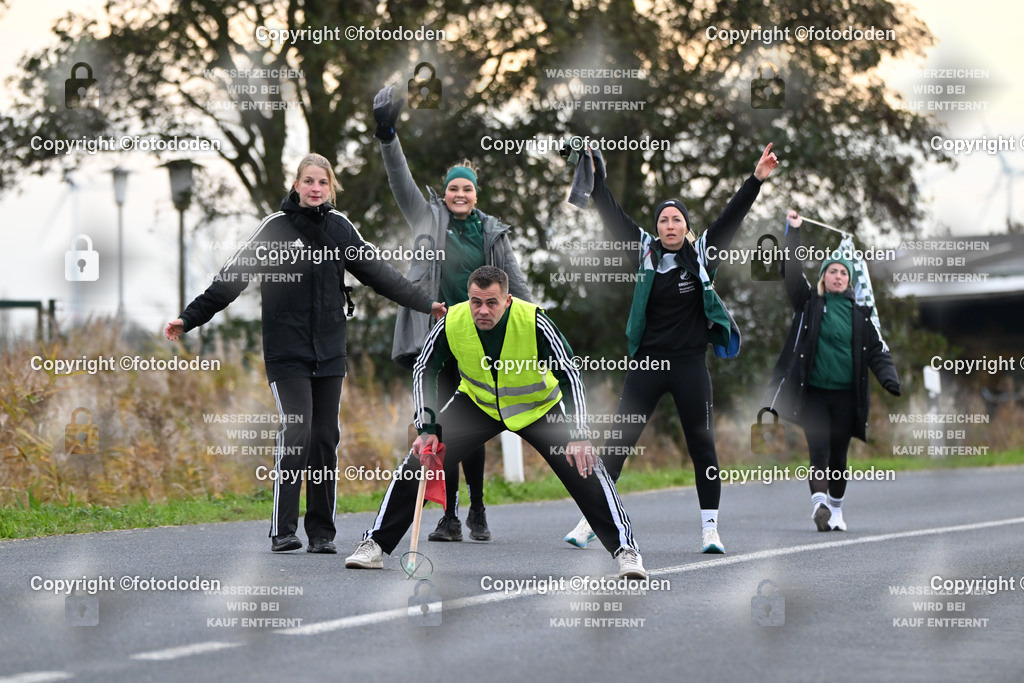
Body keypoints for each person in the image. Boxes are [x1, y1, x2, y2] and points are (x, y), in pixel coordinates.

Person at [164, 153, 445, 553]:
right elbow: (231, 280)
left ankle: (321, 533)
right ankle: (283, 529)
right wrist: (188, 319)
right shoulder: (274, 229)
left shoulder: (340, 228)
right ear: (295, 185)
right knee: (297, 429)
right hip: (287, 351)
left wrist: (424, 303)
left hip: (329, 349)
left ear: (331, 188)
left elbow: (379, 272)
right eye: (309, 181)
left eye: (323, 183)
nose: (315, 189)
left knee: (325, 436)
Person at [345, 266, 646, 578]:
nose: (482, 310)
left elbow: (569, 373)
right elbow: (424, 367)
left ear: (508, 300)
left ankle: (627, 550)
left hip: (538, 408)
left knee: (585, 465)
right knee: (420, 458)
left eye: (491, 302)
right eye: (476, 302)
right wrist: (428, 426)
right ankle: (374, 545)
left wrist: (579, 433)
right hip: (479, 404)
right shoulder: (453, 320)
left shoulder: (535, 321)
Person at [563, 143, 779, 554]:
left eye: (676, 219)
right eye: (663, 220)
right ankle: (591, 521)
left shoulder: (702, 255)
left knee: (702, 445)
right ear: (658, 227)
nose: (669, 225)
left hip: (689, 365)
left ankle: (710, 529)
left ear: (686, 226)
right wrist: (595, 180)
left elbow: (732, 217)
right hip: (646, 365)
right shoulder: (644, 252)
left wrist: (756, 179)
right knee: (617, 445)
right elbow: (613, 215)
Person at [372, 84, 533, 543]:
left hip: (482, 339)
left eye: (467, 188)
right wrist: (388, 134)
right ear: (444, 194)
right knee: (441, 426)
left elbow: (516, 286)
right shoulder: (426, 218)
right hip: (440, 336)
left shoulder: (493, 234)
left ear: (476, 194)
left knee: (473, 429)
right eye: (453, 188)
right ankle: (449, 515)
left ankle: (478, 509)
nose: (459, 194)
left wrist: (538, 328)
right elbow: (399, 178)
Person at [763, 211, 900, 531]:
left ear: (850, 280)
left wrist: (889, 380)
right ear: (823, 277)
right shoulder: (809, 303)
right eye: (832, 271)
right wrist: (793, 232)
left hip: (846, 397)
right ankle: (819, 504)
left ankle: (836, 510)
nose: (837, 276)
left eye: (843, 273)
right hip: (813, 394)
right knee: (819, 450)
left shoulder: (860, 316)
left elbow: (877, 352)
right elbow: (792, 272)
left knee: (839, 457)